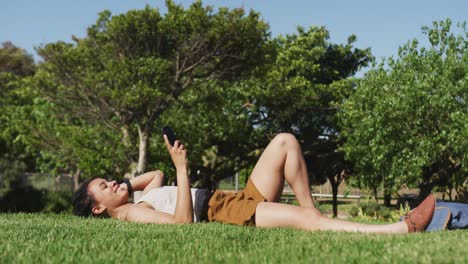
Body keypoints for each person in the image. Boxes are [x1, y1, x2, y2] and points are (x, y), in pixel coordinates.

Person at [72, 133, 435, 233]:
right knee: (305, 220)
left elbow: (156, 177)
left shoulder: (135, 199)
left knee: (285, 142)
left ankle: (318, 220)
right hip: (224, 211)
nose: (115, 183)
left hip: (233, 197)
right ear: (99, 208)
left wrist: (125, 185)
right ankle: (400, 229)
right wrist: (182, 168)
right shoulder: (131, 216)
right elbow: (182, 224)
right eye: (105, 186)